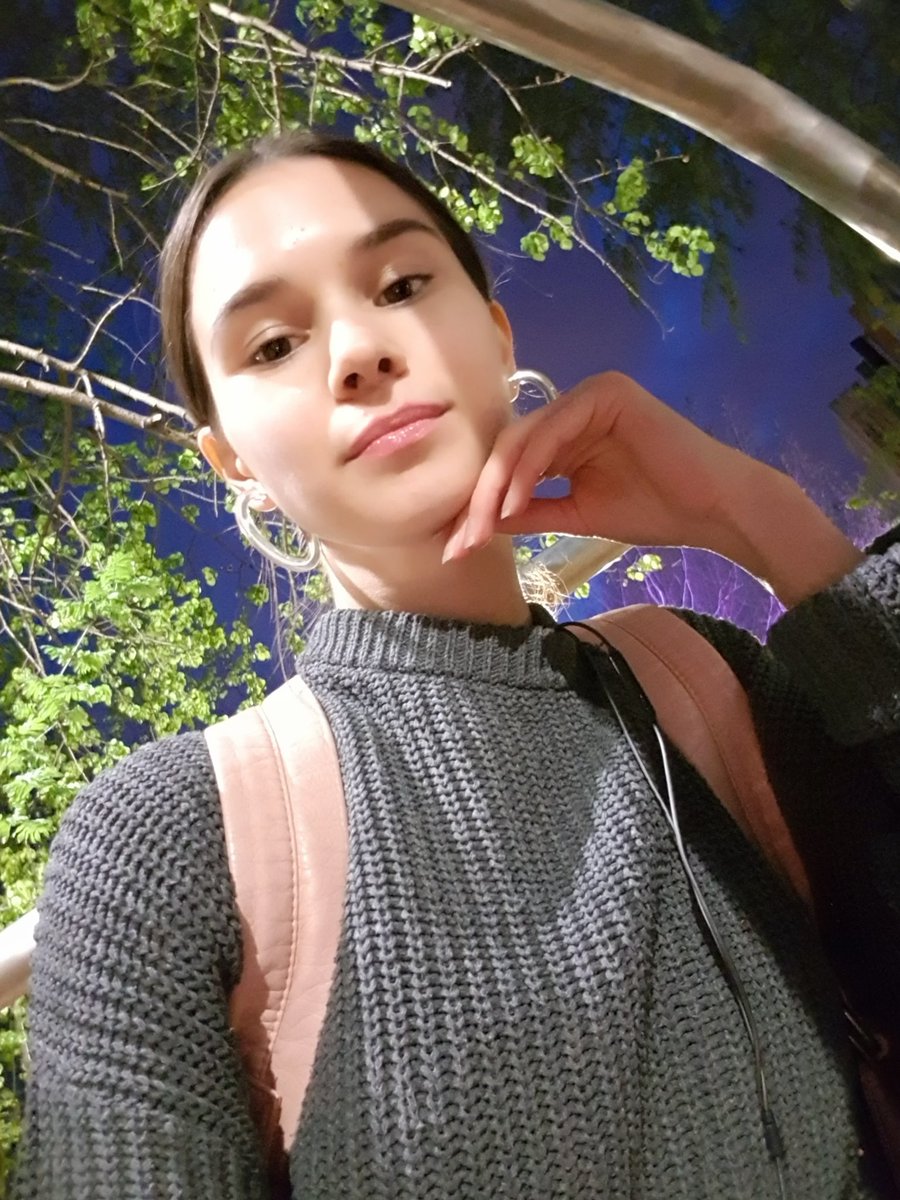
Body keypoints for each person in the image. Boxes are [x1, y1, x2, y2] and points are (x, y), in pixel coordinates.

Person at [12, 130, 899, 1200]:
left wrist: (761, 519)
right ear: (234, 460)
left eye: (400, 285)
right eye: (273, 345)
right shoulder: (164, 842)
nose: (357, 351)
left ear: (494, 333)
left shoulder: (702, 681)